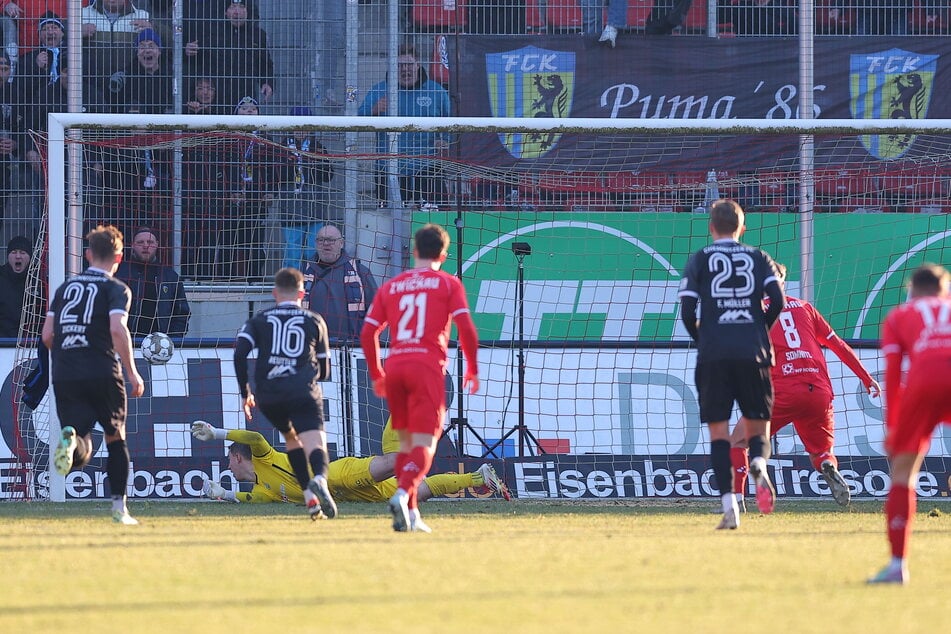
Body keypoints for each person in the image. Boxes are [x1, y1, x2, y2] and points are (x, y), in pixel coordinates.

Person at [727, 263, 881, 511]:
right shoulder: (805, 308)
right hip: (818, 391)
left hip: (782, 390)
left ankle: (736, 501)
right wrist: (866, 377)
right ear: (783, 283)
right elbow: (838, 345)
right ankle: (827, 466)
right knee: (821, 451)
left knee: (738, 441)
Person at [360, 223, 480, 533]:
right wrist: (472, 367)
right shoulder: (448, 283)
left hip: (397, 366)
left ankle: (411, 514)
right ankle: (401, 495)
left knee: (406, 445)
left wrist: (377, 373)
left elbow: (368, 332)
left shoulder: (392, 285)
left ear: (414, 252)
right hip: (426, 367)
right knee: (425, 442)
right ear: (444, 254)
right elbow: (465, 328)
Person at [678, 199, 785, 530]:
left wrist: (706, 340)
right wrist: (757, 330)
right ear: (742, 227)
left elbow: (686, 312)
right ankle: (758, 462)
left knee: (719, 433)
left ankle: (730, 510)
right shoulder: (758, 257)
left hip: (714, 355)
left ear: (711, 227)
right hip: (753, 351)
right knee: (758, 426)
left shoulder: (699, 259)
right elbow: (778, 301)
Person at [40, 225, 145, 525]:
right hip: (101, 369)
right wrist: (132, 372)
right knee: (115, 437)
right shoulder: (116, 289)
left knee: (80, 441)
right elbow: (117, 329)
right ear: (119, 257)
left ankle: (71, 441)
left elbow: (48, 335)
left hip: (65, 371)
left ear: (87, 254)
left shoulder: (65, 289)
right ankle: (118, 510)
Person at [190, 421, 510, 504]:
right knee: (417, 491)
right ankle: (477, 477)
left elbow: (256, 438)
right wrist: (218, 492)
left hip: (337, 477)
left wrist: (217, 433)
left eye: (228, 463)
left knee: (392, 462)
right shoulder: (264, 493)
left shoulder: (263, 457)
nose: (229, 470)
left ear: (236, 455)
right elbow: (242, 497)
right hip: (349, 497)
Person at [233, 267, 338, 520]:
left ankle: (310, 501)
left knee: (292, 440)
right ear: (302, 293)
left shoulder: (259, 320)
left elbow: (239, 354)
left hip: (269, 394)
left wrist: (245, 391)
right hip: (302, 390)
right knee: (315, 442)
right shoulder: (314, 320)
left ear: (274, 293)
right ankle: (320, 480)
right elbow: (324, 371)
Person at [868, 264, 951, 584]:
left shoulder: (900, 315)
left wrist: (893, 426)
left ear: (912, 289)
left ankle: (897, 566)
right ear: (943, 290)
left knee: (903, 474)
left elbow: (891, 375)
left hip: (924, 383)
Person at [357, 43, 450, 208]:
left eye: (409, 64)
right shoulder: (379, 91)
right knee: (388, 222)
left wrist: (443, 140)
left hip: (428, 168)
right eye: (400, 65)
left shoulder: (436, 92)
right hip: (390, 169)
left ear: (418, 65)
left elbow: (450, 124)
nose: (405, 69)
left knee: (436, 221)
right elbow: (357, 121)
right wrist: (374, 111)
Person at [275, 106, 336, 270]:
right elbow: (276, 175)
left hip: (314, 207)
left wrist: (318, 162)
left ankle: (313, 283)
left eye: (305, 125)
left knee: (313, 250)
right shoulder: (282, 147)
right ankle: (292, 286)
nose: (301, 130)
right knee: (292, 252)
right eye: (296, 125)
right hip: (291, 208)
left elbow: (328, 175)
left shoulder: (318, 147)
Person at [303, 224, 378, 343]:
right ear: (316, 243)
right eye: (321, 240)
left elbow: (376, 313)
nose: (325, 243)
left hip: (351, 348)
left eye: (331, 240)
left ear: (341, 243)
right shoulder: (302, 273)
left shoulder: (360, 273)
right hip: (311, 348)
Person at [114, 227, 191, 343]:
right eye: (140, 242)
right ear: (133, 245)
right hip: (125, 342)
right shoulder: (118, 274)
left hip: (161, 346)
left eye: (150, 242)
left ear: (156, 245)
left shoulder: (170, 277)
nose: (146, 246)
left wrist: (172, 340)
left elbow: (181, 313)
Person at [0, 235, 31, 338]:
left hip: (30, 341)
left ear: (30, 257)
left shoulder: (37, 280)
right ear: (8, 256)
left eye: (22, 253)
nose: (18, 256)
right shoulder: (2, 277)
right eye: (14, 252)